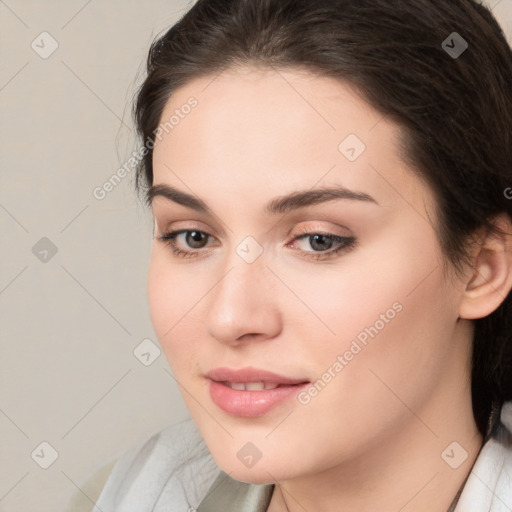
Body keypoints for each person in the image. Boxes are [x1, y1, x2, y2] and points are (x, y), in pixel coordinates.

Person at [93, 0, 512, 510]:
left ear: (483, 267)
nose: (230, 318)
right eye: (193, 237)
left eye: (319, 240)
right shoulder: (135, 492)